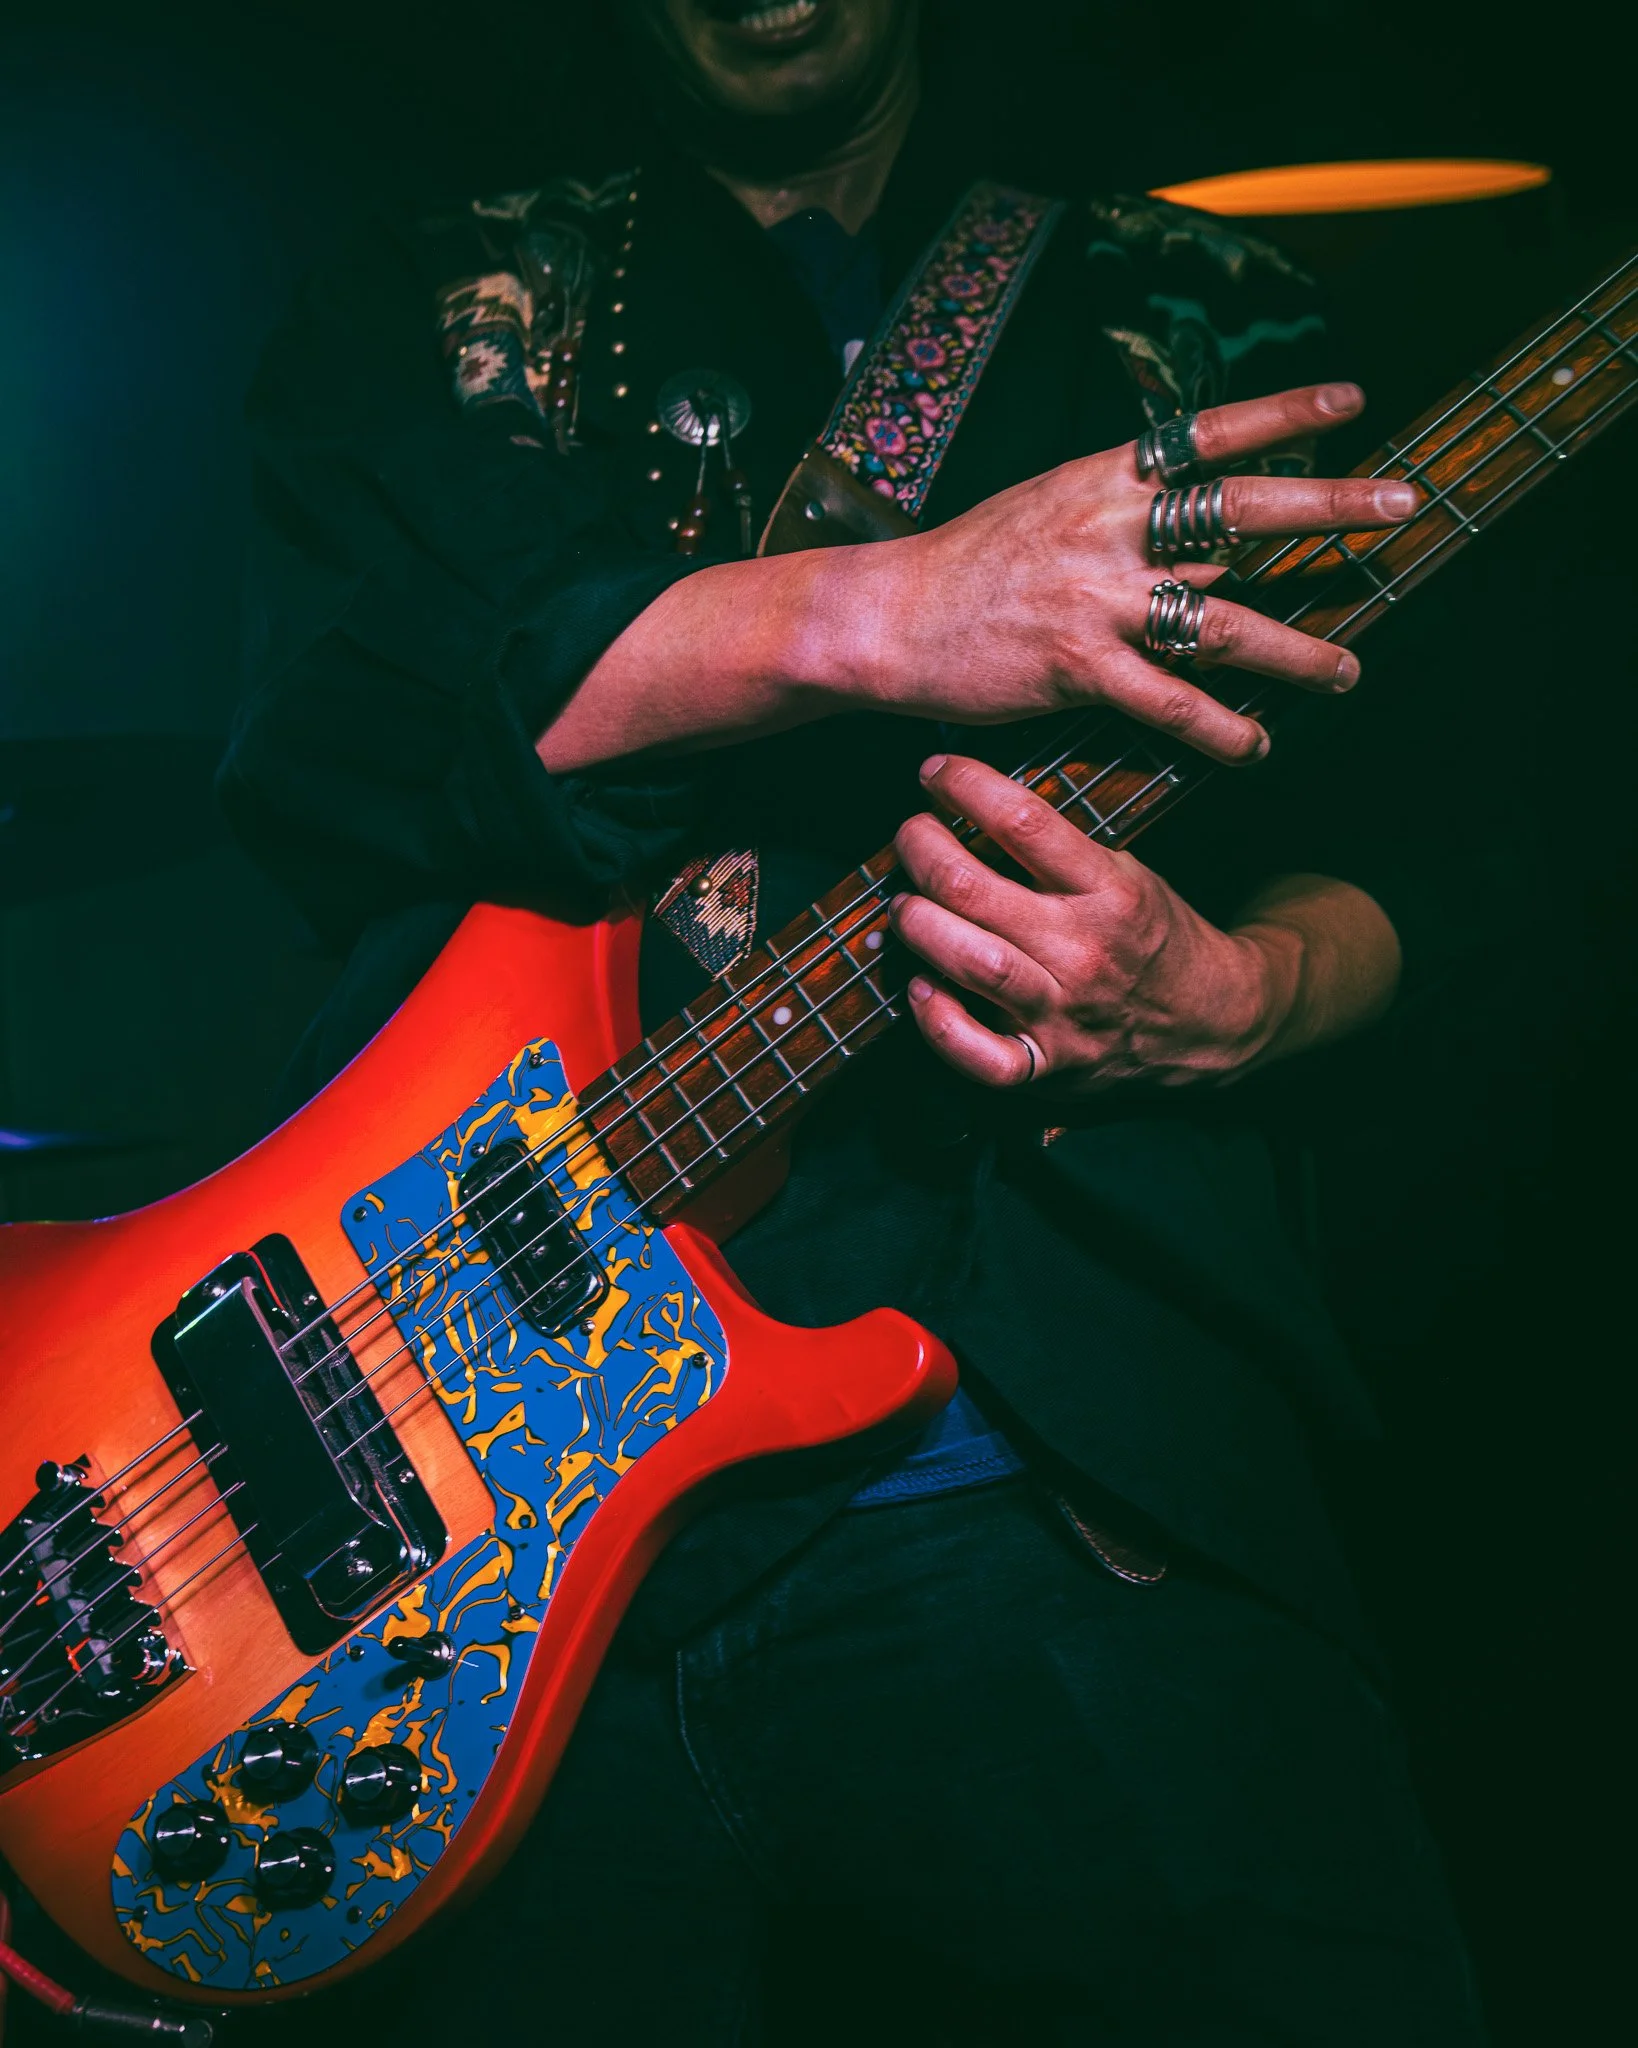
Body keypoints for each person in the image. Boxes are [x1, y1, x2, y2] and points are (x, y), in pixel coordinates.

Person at [220, 2, 1489, 2039]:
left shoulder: (1198, 302)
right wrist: (897, 609)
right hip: (468, 1551)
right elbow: (331, 731)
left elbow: (1451, 830)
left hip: (1062, 1469)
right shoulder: (433, 291)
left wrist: (1245, 997)